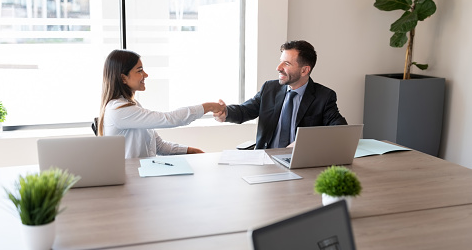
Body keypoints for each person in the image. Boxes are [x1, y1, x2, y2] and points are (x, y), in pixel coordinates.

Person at [213, 40, 347, 149]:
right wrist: (226, 112)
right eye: (280, 61)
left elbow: (340, 130)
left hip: (298, 163)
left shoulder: (324, 96)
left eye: (286, 63)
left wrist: (302, 144)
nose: (278, 67)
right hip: (265, 160)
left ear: (304, 70)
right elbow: (245, 110)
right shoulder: (270, 89)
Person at [99, 49, 225, 158]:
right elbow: (169, 119)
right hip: (131, 180)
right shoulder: (118, 110)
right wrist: (209, 106)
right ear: (123, 78)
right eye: (139, 70)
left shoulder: (132, 105)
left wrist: (191, 151)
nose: (146, 75)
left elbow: (158, 145)